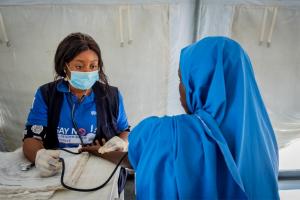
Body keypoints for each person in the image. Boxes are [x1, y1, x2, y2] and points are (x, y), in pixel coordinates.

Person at [127, 37, 279, 199]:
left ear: (201, 83)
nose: (180, 88)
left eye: (182, 79)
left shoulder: (172, 133)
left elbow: (140, 143)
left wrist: (101, 151)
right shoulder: (267, 142)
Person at [22, 32, 130, 178]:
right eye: (79, 66)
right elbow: (31, 138)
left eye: (93, 66)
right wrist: (39, 155)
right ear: (64, 66)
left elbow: (125, 130)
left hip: (102, 167)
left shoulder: (112, 96)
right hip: (59, 168)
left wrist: (121, 142)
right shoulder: (46, 94)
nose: (87, 72)